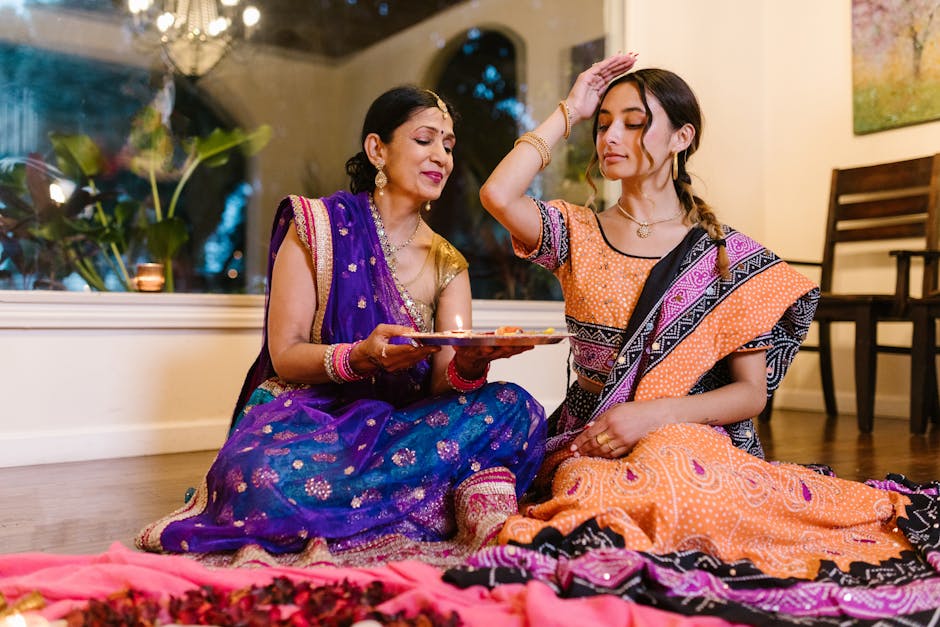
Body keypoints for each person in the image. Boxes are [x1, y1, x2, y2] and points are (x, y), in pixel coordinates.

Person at [444, 56, 940, 626]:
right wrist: (568, 110)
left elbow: (751, 394)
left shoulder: (729, 256)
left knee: (673, 466)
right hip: (594, 439)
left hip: (694, 437)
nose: (610, 136)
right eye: (603, 122)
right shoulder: (576, 232)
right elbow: (497, 195)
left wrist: (652, 416)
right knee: (597, 503)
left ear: (682, 137)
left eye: (633, 122)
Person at [136, 86, 547, 567]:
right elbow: (286, 351)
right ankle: (425, 502)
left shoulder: (447, 262)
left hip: (405, 428)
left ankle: (371, 503)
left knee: (514, 407)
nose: (442, 156)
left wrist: (472, 360)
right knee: (260, 474)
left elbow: (444, 383)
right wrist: (360, 355)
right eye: (425, 140)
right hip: (315, 419)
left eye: (449, 145)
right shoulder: (317, 226)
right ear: (377, 149)